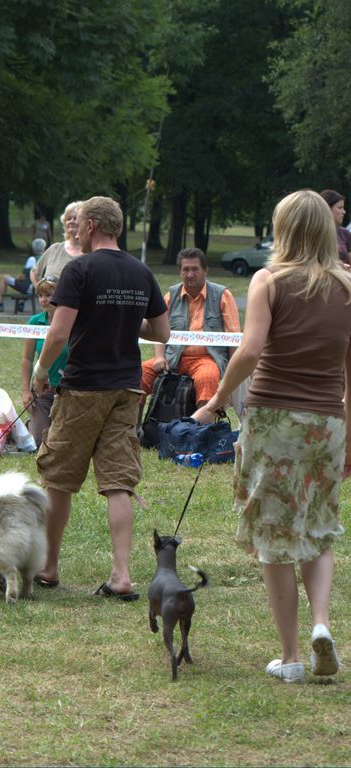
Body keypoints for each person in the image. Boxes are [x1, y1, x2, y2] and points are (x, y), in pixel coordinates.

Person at [193, 189, 351, 683]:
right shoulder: (348, 285)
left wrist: (217, 401)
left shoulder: (269, 280)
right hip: (328, 422)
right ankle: (322, 625)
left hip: (274, 422)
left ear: (283, 230)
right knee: (318, 526)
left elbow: (250, 351)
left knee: (273, 536)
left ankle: (291, 657)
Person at [32, 196, 170, 598]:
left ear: (91, 225)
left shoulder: (79, 269)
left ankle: (49, 566)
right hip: (127, 388)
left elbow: (58, 333)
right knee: (117, 483)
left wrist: (41, 373)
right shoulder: (141, 272)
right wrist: (125, 321)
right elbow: (161, 332)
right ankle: (121, 575)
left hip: (83, 387)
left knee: (58, 478)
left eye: (80, 224)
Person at [140, 248, 240, 414]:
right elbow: (158, 330)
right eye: (185, 269)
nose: (190, 274)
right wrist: (159, 357)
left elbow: (233, 339)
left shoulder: (223, 295)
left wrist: (231, 372)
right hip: (173, 358)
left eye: (195, 269)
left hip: (207, 359)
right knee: (139, 376)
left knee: (207, 378)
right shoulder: (170, 296)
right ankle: (134, 433)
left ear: (206, 271)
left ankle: (200, 434)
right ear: (179, 271)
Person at [20, 275, 68, 446]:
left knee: (63, 441)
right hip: (43, 391)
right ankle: (29, 426)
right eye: (40, 295)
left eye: (48, 294)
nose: (43, 299)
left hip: (69, 391)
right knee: (39, 442)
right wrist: (26, 391)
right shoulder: (35, 322)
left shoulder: (73, 321)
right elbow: (27, 359)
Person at [30, 202, 84, 288]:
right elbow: (34, 272)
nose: (71, 221)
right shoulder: (54, 249)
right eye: (68, 219)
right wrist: (41, 292)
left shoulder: (92, 252)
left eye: (75, 218)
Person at [0, 238, 46, 312]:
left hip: (30, 288)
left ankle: (0, 304)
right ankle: (21, 304)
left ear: (33, 249)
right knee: (25, 283)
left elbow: (23, 277)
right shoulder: (47, 259)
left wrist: (17, 280)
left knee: (5, 278)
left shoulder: (32, 259)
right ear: (44, 249)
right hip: (41, 288)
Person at [319, 189, 351, 266]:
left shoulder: (344, 233)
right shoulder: (313, 233)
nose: (344, 212)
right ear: (327, 208)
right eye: (340, 208)